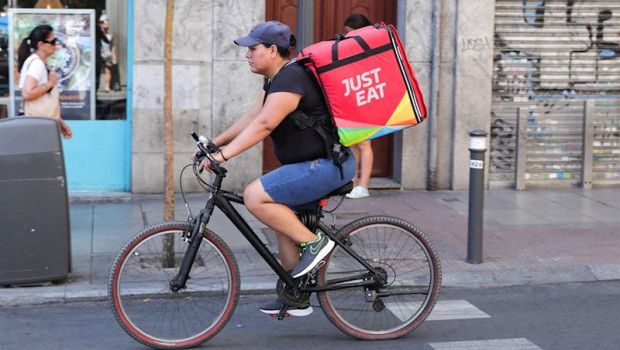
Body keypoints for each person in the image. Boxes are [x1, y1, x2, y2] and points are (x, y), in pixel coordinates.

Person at [197, 21, 356, 316]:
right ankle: (297, 295)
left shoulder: (292, 79)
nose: (247, 54)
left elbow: (265, 124)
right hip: (311, 165)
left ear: (272, 50)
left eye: (253, 48)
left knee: (254, 196)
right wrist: (214, 144)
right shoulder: (275, 80)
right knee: (282, 221)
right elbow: (252, 116)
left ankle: (315, 243)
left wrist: (223, 156)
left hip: (325, 165)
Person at [17, 24, 72, 139]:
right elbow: (27, 93)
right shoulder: (37, 64)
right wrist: (50, 83)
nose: (55, 45)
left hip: (41, 124)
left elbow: (45, 101)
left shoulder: (38, 62)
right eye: (52, 42)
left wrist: (60, 123)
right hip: (38, 126)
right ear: (41, 45)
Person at [343, 13, 374, 199]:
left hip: (366, 98)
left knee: (364, 144)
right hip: (356, 97)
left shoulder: (368, 46)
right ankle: (354, 182)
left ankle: (364, 185)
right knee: (355, 143)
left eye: (349, 32)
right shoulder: (357, 46)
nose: (347, 36)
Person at [99, 15, 116, 92]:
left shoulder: (110, 35)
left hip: (108, 54)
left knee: (108, 69)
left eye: (108, 24)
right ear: (102, 24)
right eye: (106, 24)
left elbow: (112, 45)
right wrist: (101, 52)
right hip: (100, 54)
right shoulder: (98, 34)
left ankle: (107, 86)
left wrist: (113, 55)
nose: (107, 26)